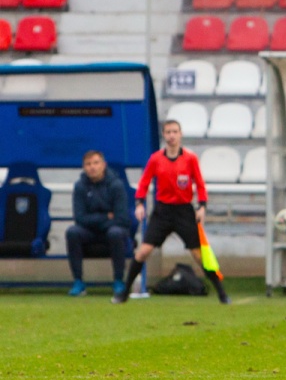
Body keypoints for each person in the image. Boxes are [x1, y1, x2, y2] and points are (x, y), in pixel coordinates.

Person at [112, 119, 230, 305]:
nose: (171, 135)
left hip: (184, 211)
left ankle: (222, 294)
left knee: (199, 255)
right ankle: (124, 294)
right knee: (143, 251)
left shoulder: (190, 158)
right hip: (163, 211)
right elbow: (144, 182)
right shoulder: (156, 159)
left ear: (180, 134)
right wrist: (140, 203)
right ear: (164, 135)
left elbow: (200, 184)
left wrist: (202, 206)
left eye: (175, 131)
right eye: (168, 132)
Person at [65, 150, 131, 297]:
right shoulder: (80, 186)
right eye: (88, 164)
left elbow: (121, 218)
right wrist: (106, 217)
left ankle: (119, 281)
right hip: (90, 232)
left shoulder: (116, 185)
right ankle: (78, 282)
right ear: (84, 167)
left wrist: (95, 220)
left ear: (103, 165)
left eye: (96, 163)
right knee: (72, 232)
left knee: (115, 232)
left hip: (112, 232)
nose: (92, 167)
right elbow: (79, 218)